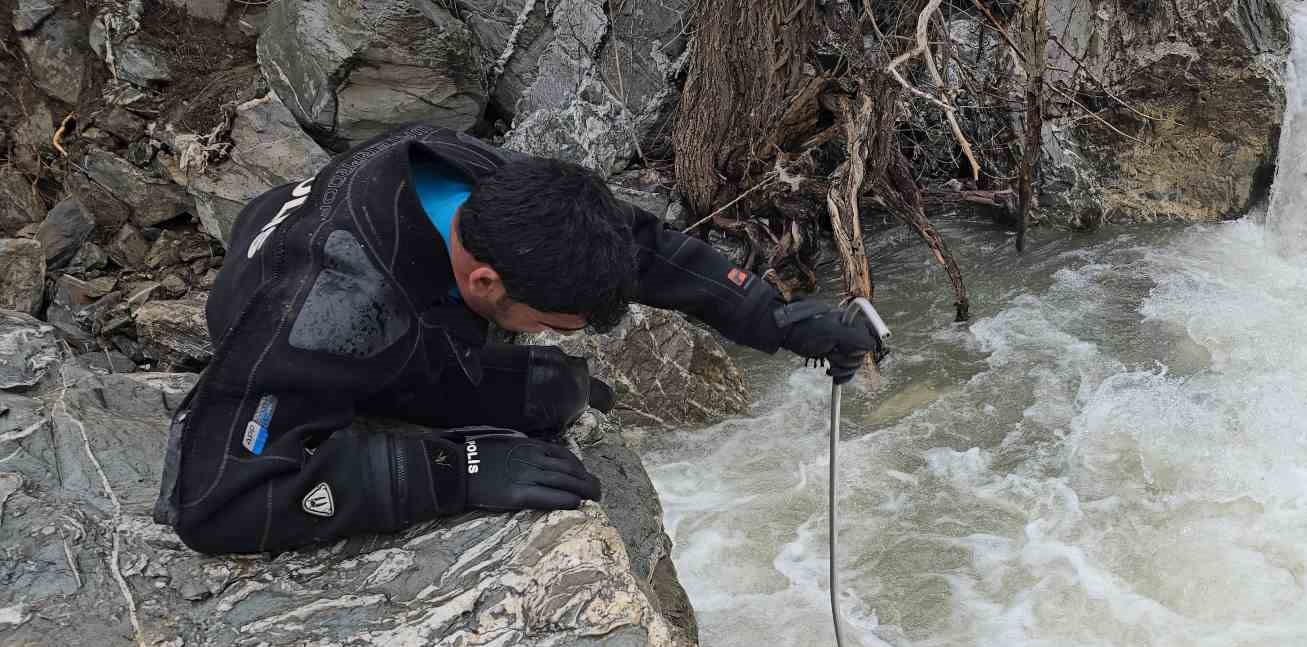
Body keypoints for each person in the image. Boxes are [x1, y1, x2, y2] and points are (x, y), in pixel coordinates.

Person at [154, 122, 880, 554]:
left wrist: (773, 318)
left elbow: (632, 240)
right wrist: (453, 473)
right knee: (527, 399)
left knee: (551, 391)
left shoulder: (483, 182)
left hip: (374, 258)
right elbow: (212, 502)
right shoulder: (331, 317)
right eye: (548, 323)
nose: (550, 335)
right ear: (486, 284)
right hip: (272, 287)